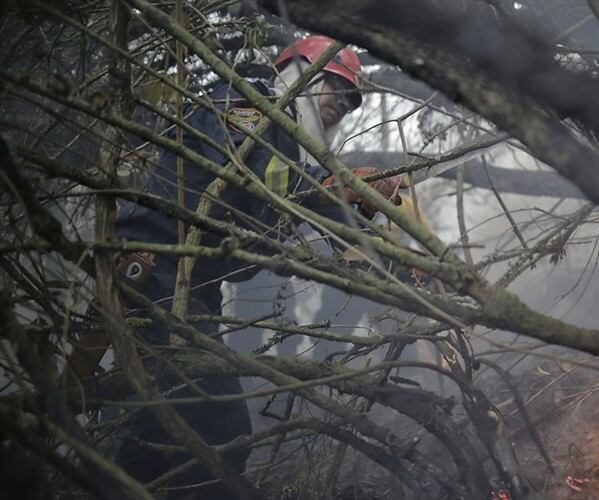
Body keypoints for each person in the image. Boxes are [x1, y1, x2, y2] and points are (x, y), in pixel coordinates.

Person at [63, 35, 403, 499]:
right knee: (217, 425)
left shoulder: (285, 140)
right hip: (157, 275)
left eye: (350, 101)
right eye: (335, 89)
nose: (342, 105)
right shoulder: (245, 104)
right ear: (302, 74)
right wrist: (338, 187)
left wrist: (352, 207)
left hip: (182, 285)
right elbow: (263, 180)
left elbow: (277, 215)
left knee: (163, 430)